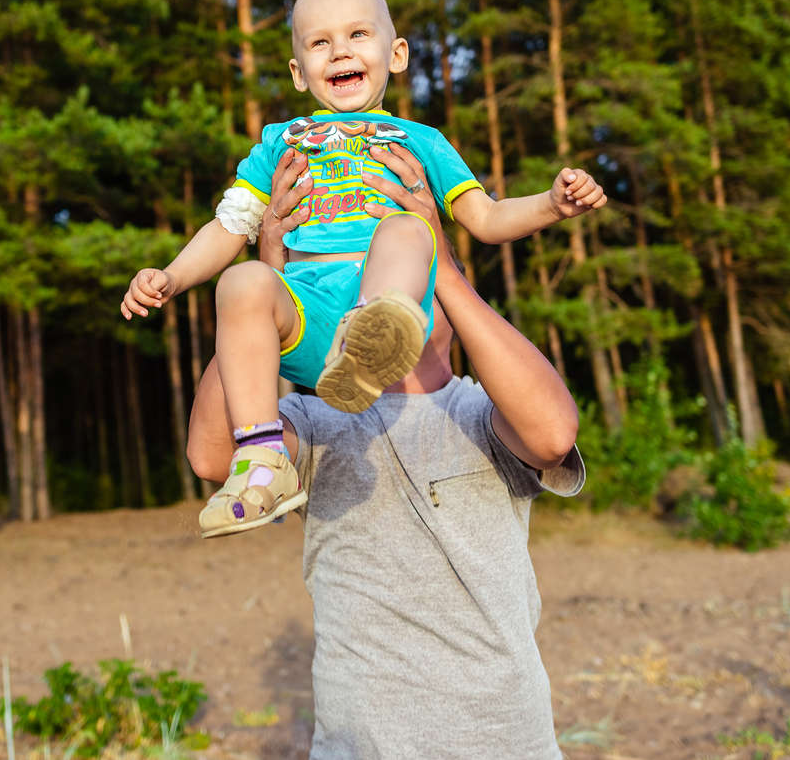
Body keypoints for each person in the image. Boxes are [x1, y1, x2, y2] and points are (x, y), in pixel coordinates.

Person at [122, 0, 605, 538]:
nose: (341, 50)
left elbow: (487, 218)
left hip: (389, 315)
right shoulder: (280, 141)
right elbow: (229, 226)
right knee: (243, 280)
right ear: (299, 73)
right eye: (320, 42)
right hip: (307, 319)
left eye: (357, 34)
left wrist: (552, 204)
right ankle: (262, 461)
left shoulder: (420, 140)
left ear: (396, 54)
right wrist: (173, 277)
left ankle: (371, 336)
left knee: (404, 228)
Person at [187, 145, 587, 758]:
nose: (370, 306)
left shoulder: (478, 414)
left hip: (502, 740)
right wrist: (268, 289)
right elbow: (214, 458)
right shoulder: (313, 425)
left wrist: (442, 265)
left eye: (403, 296)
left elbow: (553, 433)